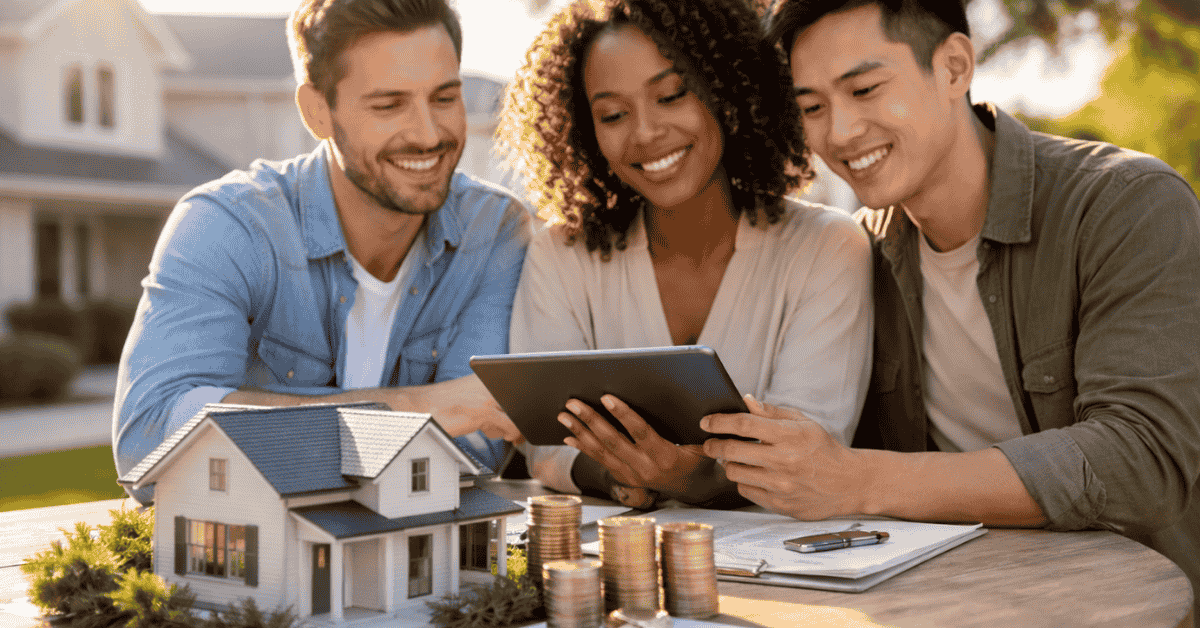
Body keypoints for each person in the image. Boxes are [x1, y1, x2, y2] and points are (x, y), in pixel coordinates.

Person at [702, 0, 1200, 610]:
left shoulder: (1125, 206)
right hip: (948, 601)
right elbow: (814, 461)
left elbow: (1141, 458)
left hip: (1133, 602)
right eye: (811, 107)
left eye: (864, 89)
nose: (838, 133)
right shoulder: (858, 256)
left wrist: (856, 479)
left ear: (955, 67)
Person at [113, 0, 531, 503]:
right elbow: (150, 444)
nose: (428, 134)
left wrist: (272, 431)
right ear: (316, 111)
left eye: (444, 98)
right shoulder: (228, 226)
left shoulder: (493, 231)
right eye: (388, 105)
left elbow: (478, 443)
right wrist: (420, 408)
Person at [496, 0, 873, 508]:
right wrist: (617, 476)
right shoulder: (562, 254)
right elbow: (543, 440)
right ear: (586, 131)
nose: (647, 132)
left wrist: (689, 478)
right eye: (612, 114)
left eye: (673, 95)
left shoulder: (827, 247)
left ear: (729, 90)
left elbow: (810, 450)